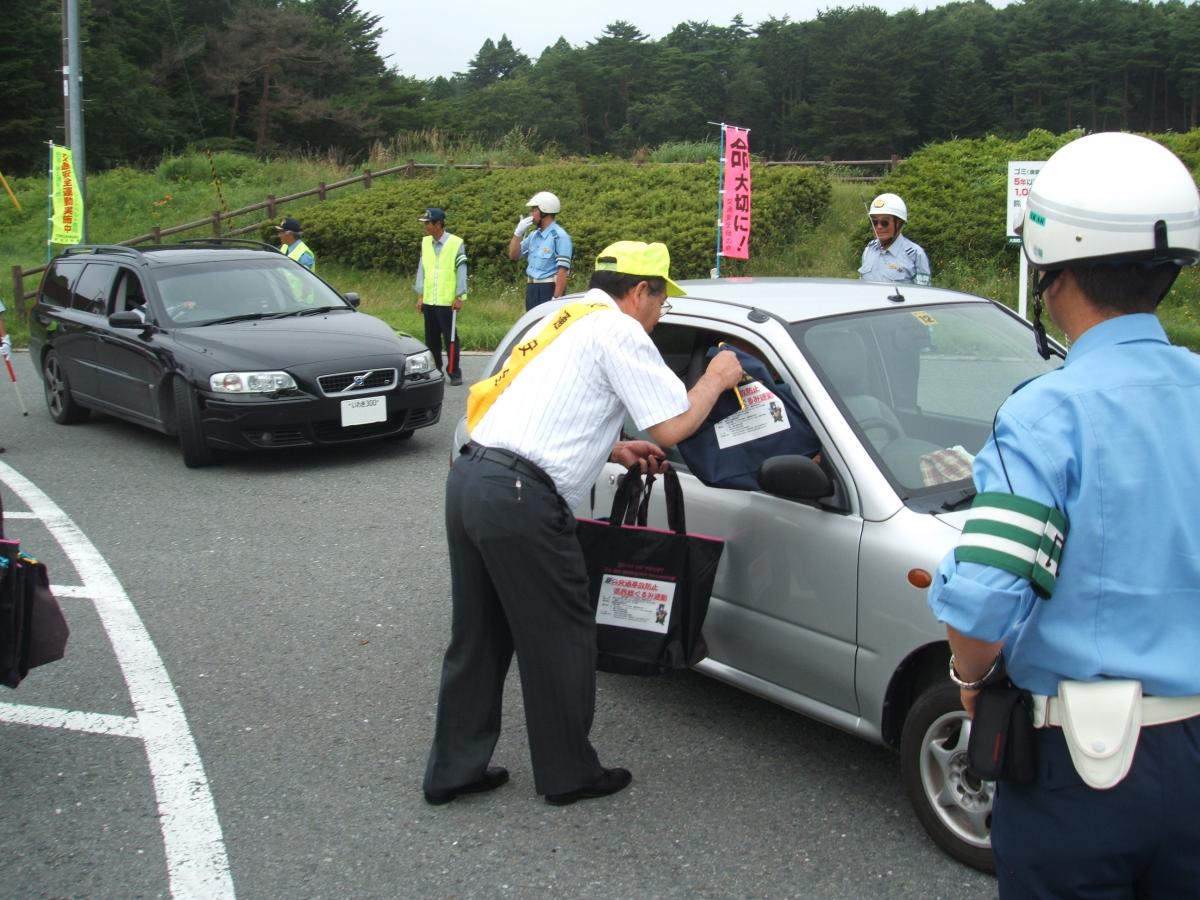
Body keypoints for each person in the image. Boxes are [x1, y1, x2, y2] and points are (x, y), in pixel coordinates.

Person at [927, 132, 1200, 897]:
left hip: (1086, 766)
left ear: (1051, 274)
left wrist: (969, 676)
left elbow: (984, 599)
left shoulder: (1048, 412)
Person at [424, 240, 743, 807]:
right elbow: (672, 424)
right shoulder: (619, 329)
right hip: (522, 499)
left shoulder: (562, 317)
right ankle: (570, 772)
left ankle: (455, 768)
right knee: (563, 633)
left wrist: (612, 447)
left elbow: (549, 406)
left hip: (474, 478)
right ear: (641, 291)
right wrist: (717, 377)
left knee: (478, 637)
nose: (662, 313)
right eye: (662, 300)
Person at [414, 207, 467, 385]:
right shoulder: (425, 243)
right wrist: (420, 296)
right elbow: (422, 270)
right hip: (429, 299)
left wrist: (459, 296)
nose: (426, 226)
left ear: (438, 224)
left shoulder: (455, 243)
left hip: (447, 301)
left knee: (450, 338)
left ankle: (454, 371)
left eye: (428, 223)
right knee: (431, 339)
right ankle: (436, 371)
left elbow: (461, 271)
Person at [508, 191, 572, 311]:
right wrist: (517, 234)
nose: (531, 215)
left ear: (544, 212)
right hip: (532, 288)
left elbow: (562, 271)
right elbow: (513, 255)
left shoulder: (559, 236)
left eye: (534, 210)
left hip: (548, 288)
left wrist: (556, 298)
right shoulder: (533, 235)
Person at [858, 193, 930, 285]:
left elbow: (923, 294)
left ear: (899, 224)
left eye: (885, 222)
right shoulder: (868, 250)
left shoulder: (915, 255)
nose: (879, 227)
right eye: (875, 222)